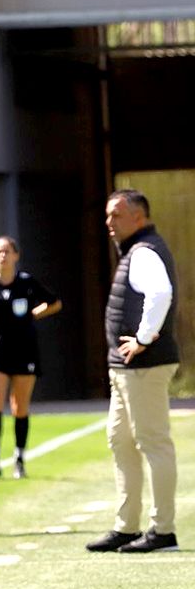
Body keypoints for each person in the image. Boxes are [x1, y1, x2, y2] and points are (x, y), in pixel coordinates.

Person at [86, 189, 182, 555]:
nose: (109, 222)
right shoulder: (136, 251)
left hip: (144, 366)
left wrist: (143, 338)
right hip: (126, 369)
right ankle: (127, 526)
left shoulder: (143, 252)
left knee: (152, 442)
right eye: (108, 215)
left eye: (117, 215)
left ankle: (163, 531)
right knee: (121, 441)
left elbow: (161, 293)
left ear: (139, 218)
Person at [0, 236, 62, 480]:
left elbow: (55, 303)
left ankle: (19, 457)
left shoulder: (26, 283)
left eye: (7, 251)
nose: (3, 256)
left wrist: (34, 314)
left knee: (19, 405)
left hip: (24, 348)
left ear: (16, 256)